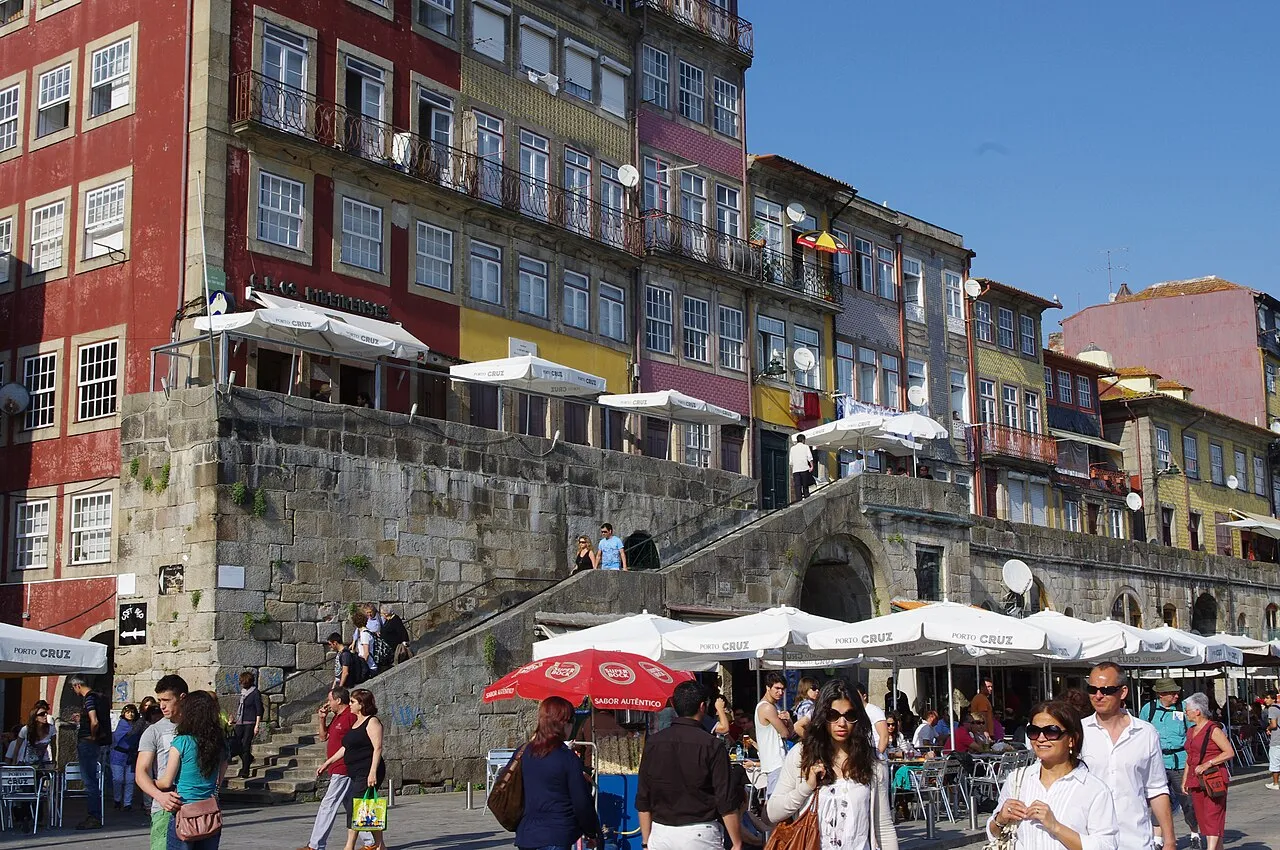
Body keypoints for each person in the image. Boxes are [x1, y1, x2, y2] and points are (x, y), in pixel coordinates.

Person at [767, 678, 898, 850]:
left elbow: (883, 827)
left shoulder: (873, 761)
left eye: (850, 716)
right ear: (822, 716)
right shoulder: (802, 755)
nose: (841, 723)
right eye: (833, 715)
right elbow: (772, 813)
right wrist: (806, 787)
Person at [989, 700, 1118, 850]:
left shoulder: (1094, 789)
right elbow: (994, 834)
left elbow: (1106, 845)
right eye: (1034, 731)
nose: (1041, 738)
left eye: (1051, 731)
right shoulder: (1017, 780)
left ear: (1072, 739)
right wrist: (1000, 819)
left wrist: (1055, 826)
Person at [1079, 662, 1175, 850]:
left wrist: (1170, 840)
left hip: (1135, 839)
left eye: (1106, 690)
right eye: (1092, 689)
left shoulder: (1145, 733)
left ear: (1123, 692)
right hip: (1088, 839)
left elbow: (1156, 788)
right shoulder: (1078, 732)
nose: (1098, 696)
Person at [637, 681, 742, 850]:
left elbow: (643, 796)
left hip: (661, 832)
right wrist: (737, 842)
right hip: (700, 833)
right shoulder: (712, 745)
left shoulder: (653, 743)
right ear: (702, 707)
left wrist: (645, 841)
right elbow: (725, 799)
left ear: (673, 705)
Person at [510, 696, 602, 850]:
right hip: (557, 833)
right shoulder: (567, 758)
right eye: (572, 721)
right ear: (563, 724)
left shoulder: (522, 752)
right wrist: (592, 832)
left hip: (527, 833)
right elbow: (581, 803)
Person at [299, 688, 375, 850]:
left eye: (330, 700)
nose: (328, 703)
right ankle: (371, 841)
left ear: (338, 700)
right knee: (352, 805)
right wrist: (322, 719)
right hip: (336, 765)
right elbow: (323, 737)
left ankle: (316, 845)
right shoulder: (337, 717)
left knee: (328, 804)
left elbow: (358, 740)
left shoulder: (351, 716)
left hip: (344, 767)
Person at [316, 689, 387, 850]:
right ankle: (379, 845)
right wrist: (328, 763)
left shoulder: (372, 722)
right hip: (355, 771)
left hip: (367, 770)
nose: (350, 704)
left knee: (355, 807)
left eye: (353, 702)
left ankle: (349, 846)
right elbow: (346, 747)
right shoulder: (356, 722)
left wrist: (372, 772)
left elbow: (378, 748)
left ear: (361, 705)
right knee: (366, 808)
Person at [157, 690, 228, 850]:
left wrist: (152, 782)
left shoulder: (181, 742)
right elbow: (222, 769)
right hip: (210, 812)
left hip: (185, 810)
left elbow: (166, 782)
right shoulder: (219, 743)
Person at [1140, 678, 1199, 845]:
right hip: (1158, 762)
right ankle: (1158, 840)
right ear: (1161, 694)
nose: (1176, 696)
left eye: (1176, 692)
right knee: (1158, 799)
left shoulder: (1182, 708)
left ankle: (1194, 834)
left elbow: (1193, 732)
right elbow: (1141, 733)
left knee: (1188, 801)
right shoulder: (1149, 709)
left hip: (1180, 761)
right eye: (1172, 693)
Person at [137, 674, 188, 850]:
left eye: (166, 700)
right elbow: (141, 772)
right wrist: (160, 796)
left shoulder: (199, 727)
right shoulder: (154, 731)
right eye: (159, 700)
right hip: (165, 807)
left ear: (182, 698)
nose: (162, 706)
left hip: (196, 806)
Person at [1181, 693, 1234, 850]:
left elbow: (1229, 752)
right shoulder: (1191, 731)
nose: (1185, 713)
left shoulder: (1213, 729)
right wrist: (1185, 779)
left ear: (1197, 711)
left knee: (1213, 814)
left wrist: (1208, 763)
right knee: (1203, 817)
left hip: (1213, 778)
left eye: (1187, 710)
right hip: (1196, 780)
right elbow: (1190, 757)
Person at [70, 675, 111, 830]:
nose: (74, 691)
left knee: (90, 781)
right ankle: (95, 815)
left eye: (73, 688)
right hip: (93, 744)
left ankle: (94, 816)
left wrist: (93, 736)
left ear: (77, 686)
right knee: (92, 780)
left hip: (88, 743)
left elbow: (94, 721)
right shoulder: (97, 697)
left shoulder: (88, 699)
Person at [755, 673, 793, 797]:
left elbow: (790, 733)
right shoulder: (767, 708)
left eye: (782, 689)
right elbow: (785, 734)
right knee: (774, 800)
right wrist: (787, 722)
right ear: (768, 687)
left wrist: (789, 720)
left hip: (777, 760)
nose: (780, 692)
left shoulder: (775, 706)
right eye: (777, 688)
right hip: (775, 761)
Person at [232, 671, 265, 778]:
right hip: (240, 722)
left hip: (250, 722)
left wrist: (257, 725)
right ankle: (249, 758)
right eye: (241, 682)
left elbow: (259, 710)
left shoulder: (255, 693)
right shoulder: (243, 693)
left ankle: (245, 770)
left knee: (246, 745)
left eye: (244, 682)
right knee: (236, 744)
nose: (242, 684)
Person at [111, 703, 139, 811]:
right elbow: (120, 738)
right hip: (118, 755)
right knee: (118, 779)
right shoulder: (121, 724)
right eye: (128, 712)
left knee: (130, 780)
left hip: (131, 756)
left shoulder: (137, 725)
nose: (130, 714)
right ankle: (117, 799)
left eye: (132, 712)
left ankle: (128, 802)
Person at [854, 681, 889, 758]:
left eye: (857, 695)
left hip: (875, 757)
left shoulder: (874, 711)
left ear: (864, 696)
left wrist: (877, 756)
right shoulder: (853, 713)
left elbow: (884, 736)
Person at [350, 612, 380, 678]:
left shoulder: (364, 634)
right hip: (369, 666)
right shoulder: (368, 632)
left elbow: (366, 653)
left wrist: (361, 667)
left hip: (369, 667)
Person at [789, 434, 814, 501]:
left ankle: (799, 500)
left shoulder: (792, 448)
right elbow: (810, 457)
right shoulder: (806, 447)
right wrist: (812, 466)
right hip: (804, 468)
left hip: (795, 470)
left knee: (797, 486)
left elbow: (791, 462)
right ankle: (806, 498)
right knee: (805, 485)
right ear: (803, 440)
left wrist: (794, 468)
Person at [1266, 690, 1280, 790]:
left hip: (1276, 738)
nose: (1265, 700)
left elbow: (1274, 724)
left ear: (1273, 699)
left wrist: (1268, 728)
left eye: (1267, 698)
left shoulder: (1272, 709)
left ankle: (1275, 783)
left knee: (1275, 761)